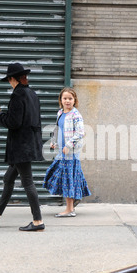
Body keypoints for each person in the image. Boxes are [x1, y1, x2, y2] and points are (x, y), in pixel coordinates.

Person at [0, 63, 45, 232]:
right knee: (8, 179)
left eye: (9, 80)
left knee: (28, 182)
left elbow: (13, 122)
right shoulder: (32, 94)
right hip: (29, 144)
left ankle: (38, 221)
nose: (9, 83)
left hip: (20, 147)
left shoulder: (18, 95)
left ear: (13, 79)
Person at [43, 88, 91, 217]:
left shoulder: (76, 115)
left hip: (71, 153)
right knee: (63, 176)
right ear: (61, 100)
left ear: (75, 100)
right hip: (61, 152)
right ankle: (75, 198)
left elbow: (80, 132)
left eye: (70, 98)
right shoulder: (60, 113)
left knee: (68, 179)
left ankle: (70, 209)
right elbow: (58, 130)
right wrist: (54, 142)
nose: (67, 101)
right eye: (65, 98)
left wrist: (69, 145)